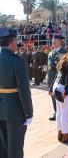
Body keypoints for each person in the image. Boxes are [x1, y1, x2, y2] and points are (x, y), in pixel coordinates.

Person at [0, 28, 33, 158]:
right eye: (16, 40)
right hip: (14, 110)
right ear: (12, 42)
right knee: (15, 147)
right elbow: (24, 90)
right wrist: (28, 113)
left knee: (2, 147)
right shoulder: (17, 60)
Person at [46, 35, 67, 121]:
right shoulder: (51, 52)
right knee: (53, 95)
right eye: (53, 40)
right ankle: (56, 112)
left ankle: (61, 113)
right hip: (50, 76)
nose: (53, 42)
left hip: (58, 76)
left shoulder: (64, 52)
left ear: (60, 42)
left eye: (56, 40)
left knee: (59, 95)